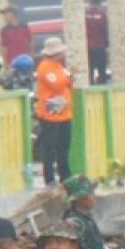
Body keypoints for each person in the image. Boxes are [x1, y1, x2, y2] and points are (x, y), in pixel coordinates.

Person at [34, 37, 73, 186]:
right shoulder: (44, 67)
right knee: (50, 147)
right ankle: (49, 178)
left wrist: (68, 76)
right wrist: (68, 76)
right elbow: (57, 84)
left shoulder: (59, 67)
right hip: (50, 114)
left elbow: (67, 81)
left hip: (64, 113)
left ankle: (65, 175)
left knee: (64, 146)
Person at [61, 175, 107, 249]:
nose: (94, 196)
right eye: (90, 194)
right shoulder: (74, 222)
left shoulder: (87, 217)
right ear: (78, 199)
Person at [84, 0, 109, 84]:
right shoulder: (102, 15)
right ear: (99, 4)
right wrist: (106, 44)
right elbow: (105, 30)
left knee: (89, 70)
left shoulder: (84, 14)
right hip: (99, 47)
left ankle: (90, 86)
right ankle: (102, 88)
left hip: (87, 47)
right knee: (102, 70)